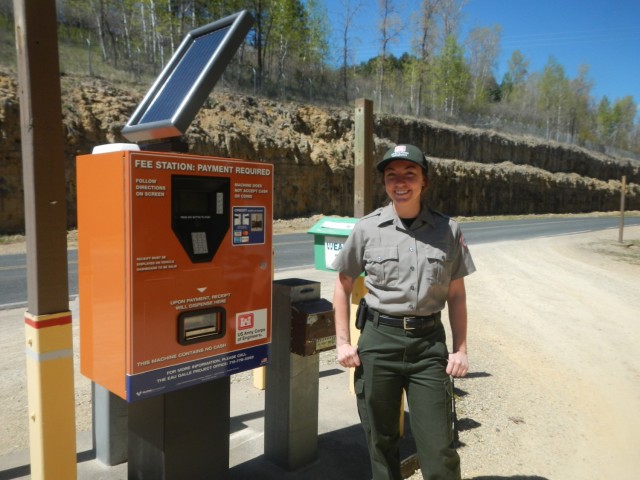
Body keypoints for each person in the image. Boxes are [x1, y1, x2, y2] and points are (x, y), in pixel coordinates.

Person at [332, 144, 475, 480]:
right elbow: (342, 285)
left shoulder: (448, 230)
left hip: (428, 346)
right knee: (381, 443)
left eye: (409, 174)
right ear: (384, 182)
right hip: (379, 342)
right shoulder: (367, 229)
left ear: (424, 180)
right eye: (391, 175)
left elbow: (456, 295)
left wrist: (461, 349)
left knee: (439, 447)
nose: (400, 182)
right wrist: (341, 343)